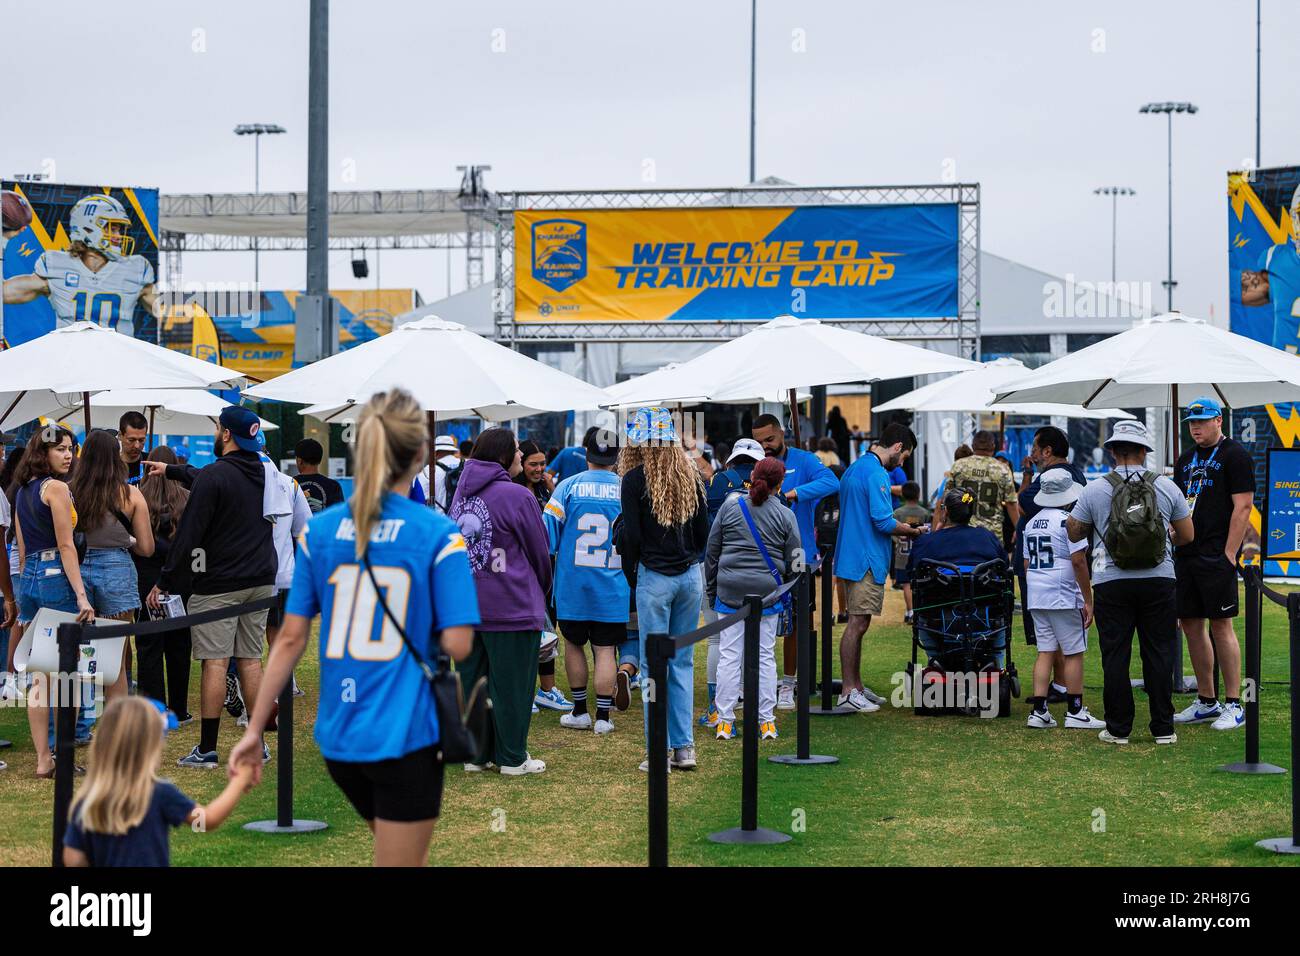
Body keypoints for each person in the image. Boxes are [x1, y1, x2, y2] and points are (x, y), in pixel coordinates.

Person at [229, 389, 477, 865]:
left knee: (395, 850)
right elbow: (459, 644)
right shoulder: (438, 535)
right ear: (421, 453)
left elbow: (289, 641)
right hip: (405, 733)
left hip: (341, 738)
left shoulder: (320, 532)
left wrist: (254, 728)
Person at [147, 406, 278, 769]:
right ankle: (257, 744)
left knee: (215, 663)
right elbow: (207, 477)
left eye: (218, 427)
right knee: (251, 661)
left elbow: (190, 534)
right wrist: (171, 469)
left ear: (225, 435)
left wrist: (165, 581)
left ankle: (207, 749)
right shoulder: (269, 472)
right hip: (261, 579)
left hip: (219, 583)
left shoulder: (216, 475)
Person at [1067, 420, 1194, 745]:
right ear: (1143, 451)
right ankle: (1163, 728)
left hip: (1112, 581)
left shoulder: (1094, 488)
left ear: (1112, 451)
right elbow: (1188, 536)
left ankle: (1118, 728)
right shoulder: (1166, 486)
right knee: (1159, 652)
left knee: (1116, 655)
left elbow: (1073, 531)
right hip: (1159, 579)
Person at [450, 427, 553, 775]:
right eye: (516, 451)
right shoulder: (518, 497)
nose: (522, 456)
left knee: (472, 683)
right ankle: (512, 757)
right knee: (513, 686)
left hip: (466, 605)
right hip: (511, 606)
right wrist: (542, 592)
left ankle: (477, 755)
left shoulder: (460, 495)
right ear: (503, 457)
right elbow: (540, 553)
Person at [619, 407, 709, 772]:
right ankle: (683, 749)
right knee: (682, 664)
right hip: (690, 575)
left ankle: (658, 752)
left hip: (654, 577)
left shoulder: (634, 480)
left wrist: (635, 575)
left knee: (654, 667)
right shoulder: (692, 476)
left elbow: (632, 538)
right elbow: (704, 532)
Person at [63, 697, 252, 867]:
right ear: (150, 748)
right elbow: (205, 821)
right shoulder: (159, 794)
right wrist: (239, 780)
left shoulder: (87, 802)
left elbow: (73, 860)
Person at [14, 426, 95, 777]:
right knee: (67, 674)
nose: (67, 455)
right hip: (54, 578)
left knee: (40, 676)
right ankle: (57, 756)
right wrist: (81, 594)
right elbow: (66, 546)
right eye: (59, 449)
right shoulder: (56, 488)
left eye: (70, 448)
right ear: (42, 453)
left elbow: (20, 549)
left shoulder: (23, 490)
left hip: (29, 577)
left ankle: (43, 758)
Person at [1172, 397, 1256, 730]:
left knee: (1221, 625)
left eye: (1203, 421)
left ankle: (1235, 703)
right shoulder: (1185, 459)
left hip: (1216, 554)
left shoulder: (1234, 455)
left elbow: (1244, 507)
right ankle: (1207, 700)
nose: (1196, 427)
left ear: (1218, 420)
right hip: (1187, 553)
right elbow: (1179, 506)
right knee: (1191, 625)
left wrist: (1228, 554)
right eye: (1192, 422)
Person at [705, 456, 800, 741]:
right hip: (768, 591)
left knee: (729, 655)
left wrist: (712, 590)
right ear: (780, 483)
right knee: (765, 656)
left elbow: (712, 551)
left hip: (730, 589)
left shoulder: (730, 506)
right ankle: (766, 721)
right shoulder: (785, 513)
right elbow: (795, 558)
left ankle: (724, 720)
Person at [751, 413, 840, 709]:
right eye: (759, 441)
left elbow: (831, 482)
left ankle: (789, 683)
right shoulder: (753, 461)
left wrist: (794, 494)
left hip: (799, 555)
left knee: (798, 622)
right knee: (757, 621)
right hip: (761, 556)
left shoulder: (804, 460)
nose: (765, 446)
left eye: (770, 440)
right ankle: (754, 682)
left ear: (781, 433)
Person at [833, 423, 922, 711]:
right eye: (905, 456)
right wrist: (913, 531)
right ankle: (848, 690)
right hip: (865, 559)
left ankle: (856, 686)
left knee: (860, 622)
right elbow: (883, 521)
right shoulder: (876, 473)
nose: (903, 462)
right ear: (897, 447)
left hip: (853, 555)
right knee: (857, 623)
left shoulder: (856, 468)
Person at [544, 432, 628, 735]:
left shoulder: (568, 486)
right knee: (606, 650)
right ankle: (604, 716)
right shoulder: (625, 488)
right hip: (614, 585)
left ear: (586, 452)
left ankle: (580, 711)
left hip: (573, 584)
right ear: (617, 455)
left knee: (574, 645)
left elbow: (547, 535)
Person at [69, 429, 154, 702]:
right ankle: (116, 725)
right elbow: (147, 548)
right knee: (114, 656)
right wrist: (125, 539)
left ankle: (79, 725)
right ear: (115, 457)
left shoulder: (68, 492)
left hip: (77, 570)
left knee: (77, 653)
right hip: (118, 569)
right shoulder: (130, 495)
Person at [1021, 469, 1104, 730]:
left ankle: (1039, 710)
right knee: (1074, 652)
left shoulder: (1031, 522)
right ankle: (1075, 710)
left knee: (1045, 650)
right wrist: (1087, 599)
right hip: (1063, 593)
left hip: (1037, 592)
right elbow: (1079, 562)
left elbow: (1026, 563)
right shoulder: (1069, 521)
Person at [1015, 426, 1087, 702]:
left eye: (1035, 448)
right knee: (1069, 646)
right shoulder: (1074, 484)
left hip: (1041, 578)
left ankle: (1046, 702)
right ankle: (1071, 702)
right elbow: (1079, 560)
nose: (1032, 454)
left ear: (1047, 450)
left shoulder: (1036, 518)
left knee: (1050, 647)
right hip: (1059, 578)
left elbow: (1022, 504)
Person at [699, 437, 766, 724]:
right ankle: (760, 708)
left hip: (718, 566)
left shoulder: (717, 482)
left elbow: (703, 526)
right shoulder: (768, 485)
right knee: (760, 642)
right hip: (761, 571)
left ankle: (718, 705)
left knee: (719, 638)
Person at [135, 446, 192, 721]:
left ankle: (153, 706)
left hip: (146, 578)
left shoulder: (137, 497)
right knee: (180, 643)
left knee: (148, 644)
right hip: (180, 577)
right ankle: (179, 708)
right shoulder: (188, 499)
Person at [942, 430, 1019, 537]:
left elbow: (947, 498)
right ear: (993, 446)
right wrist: (1018, 528)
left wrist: (942, 523)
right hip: (991, 534)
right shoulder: (1003, 469)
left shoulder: (959, 466)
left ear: (973, 446)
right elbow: (1011, 503)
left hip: (962, 532)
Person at [891, 481, 930, 624]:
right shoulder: (924, 513)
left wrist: (898, 541)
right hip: (919, 554)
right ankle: (919, 611)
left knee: (906, 584)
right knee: (919, 583)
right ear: (918, 494)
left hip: (902, 555)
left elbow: (892, 532)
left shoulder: (898, 513)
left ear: (902, 494)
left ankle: (910, 611)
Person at [408, 435, 462, 514]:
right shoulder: (465, 465)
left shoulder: (428, 471)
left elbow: (421, 498)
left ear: (435, 453)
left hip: (440, 520)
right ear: (453, 451)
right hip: (461, 519)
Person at [293, 438, 344, 515]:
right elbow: (339, 515)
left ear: (299, 461)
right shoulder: (333, 486)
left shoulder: (289, 484)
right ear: (319, 460)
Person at [515, 439, 554, 510]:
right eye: (533, 464)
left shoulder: (543, 488)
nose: (539, 469)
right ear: (521, 463)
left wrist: (552, 490)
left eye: (542, 464)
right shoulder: (513, 490)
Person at [118, 411, 149, 486]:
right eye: (131, 440)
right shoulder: (110, 465)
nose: (137, 446)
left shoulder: (151, 462)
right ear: (120, 436)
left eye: (141, 440)